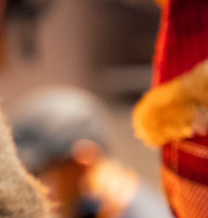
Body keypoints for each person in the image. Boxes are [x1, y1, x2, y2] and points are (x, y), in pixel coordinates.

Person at [10, 87, 171, 218]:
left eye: (36, 176)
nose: (34, 193)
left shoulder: (139, 213)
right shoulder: (99, 210)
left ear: (84, 161)